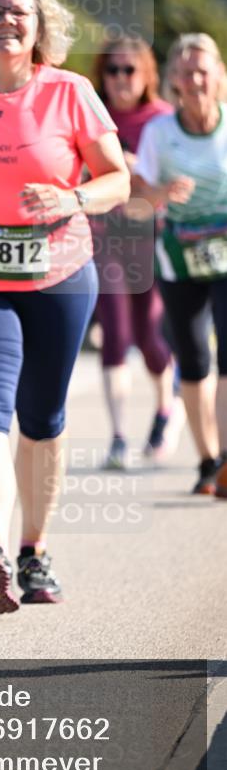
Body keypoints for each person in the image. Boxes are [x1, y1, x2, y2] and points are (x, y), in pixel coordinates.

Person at [0, 0, 130, 612]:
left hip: (58, 275)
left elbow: (117, 180)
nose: (6, 20)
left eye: (19, 11)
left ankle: (34, 551)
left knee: (42, 419)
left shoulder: (71, 93)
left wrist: (71, 197)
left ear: (40, 25)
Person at [133, 33, 227, 497]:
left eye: (203, 71)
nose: (195, 81)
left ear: (220, 76)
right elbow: (138, 193)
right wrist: (161, 196)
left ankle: (226, 457)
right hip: (179, 259)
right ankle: (208, 460)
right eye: (186, 73)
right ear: (173, 81)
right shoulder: (160, 134)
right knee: (193, 361)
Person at [91, 38, 183, 469]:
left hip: (151, 237)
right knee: (114, 331)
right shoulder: (92, 115)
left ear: (147, 74)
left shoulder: (164, 119)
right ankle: (118, 436)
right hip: (104, 235)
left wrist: (136, 170)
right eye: (113, 70)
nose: (121, 78)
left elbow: (178, 186)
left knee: (149, 336)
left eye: (129, 69)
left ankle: (167, 409)